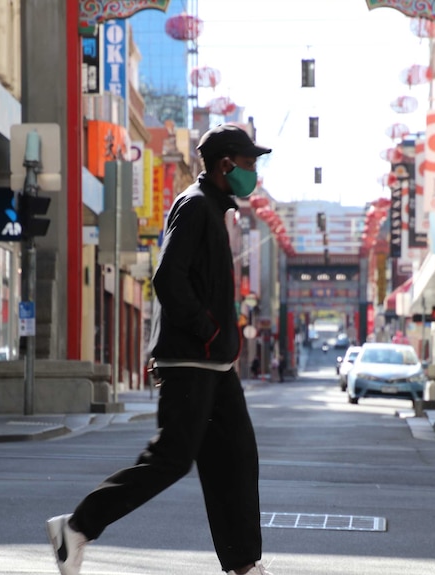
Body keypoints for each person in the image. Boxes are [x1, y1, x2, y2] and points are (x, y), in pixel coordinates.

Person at [46, 124, 274, 575]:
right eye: (249, 164)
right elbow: (168, 278)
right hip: (192, 360)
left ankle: (244, 564)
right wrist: (206, 330)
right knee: (170, 460)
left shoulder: (211, 207)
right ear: (226, 164)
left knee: (237, 458)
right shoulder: (193, 206)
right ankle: (76, 527)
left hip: (214, 363)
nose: (254, 173)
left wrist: (214, 342)